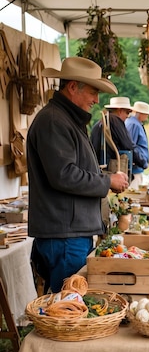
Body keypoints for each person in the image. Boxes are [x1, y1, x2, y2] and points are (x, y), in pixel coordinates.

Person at [27, 56, 129, 294]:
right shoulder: (54, 121)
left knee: (69, 306)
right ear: (73, 87)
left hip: (68, 233)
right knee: (68, 308)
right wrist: (107, 181)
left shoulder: (66, 119)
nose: (96, 100)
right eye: (93, 92)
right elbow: (64, 174)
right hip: (64, 235)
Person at [90, 97, 147, 178]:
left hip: (97, 172)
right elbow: (129, 145)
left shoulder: (98, 124)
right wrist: (143, 162)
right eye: (127, 112)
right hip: (113, 173)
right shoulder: (116, 121)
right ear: (120, 110)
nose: (128, 116)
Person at [125, 100, 149, 188]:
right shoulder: (133, 124)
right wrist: (140, 161)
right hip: (135, 169)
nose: (147, 116)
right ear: (140, 113)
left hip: (137, 167)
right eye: (146, 113)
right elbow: (130, 146)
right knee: (134, 194)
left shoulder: (135, 123)